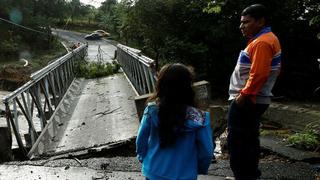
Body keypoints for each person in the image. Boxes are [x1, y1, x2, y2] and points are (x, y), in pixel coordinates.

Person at [227, 4, 281, 180]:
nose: (241, 26)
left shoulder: (262, 42)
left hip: (248, 100)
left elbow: (259, 74)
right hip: (254, 99)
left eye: (246, 22)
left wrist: (244, 95)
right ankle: (250, 175)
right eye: (241, 22)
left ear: (260, 21)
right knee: (249, 139)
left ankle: (242, 176)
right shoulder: (263, 40)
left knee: (238, 142)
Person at [136, 63, 214, 180]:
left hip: (154, 172)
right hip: (184, 175)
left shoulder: (152, 111)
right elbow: (207, 152)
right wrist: (199, 168)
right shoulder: (201, 118)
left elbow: (140, 141)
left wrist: (143, 159)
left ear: (161, 86)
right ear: (188, 87)